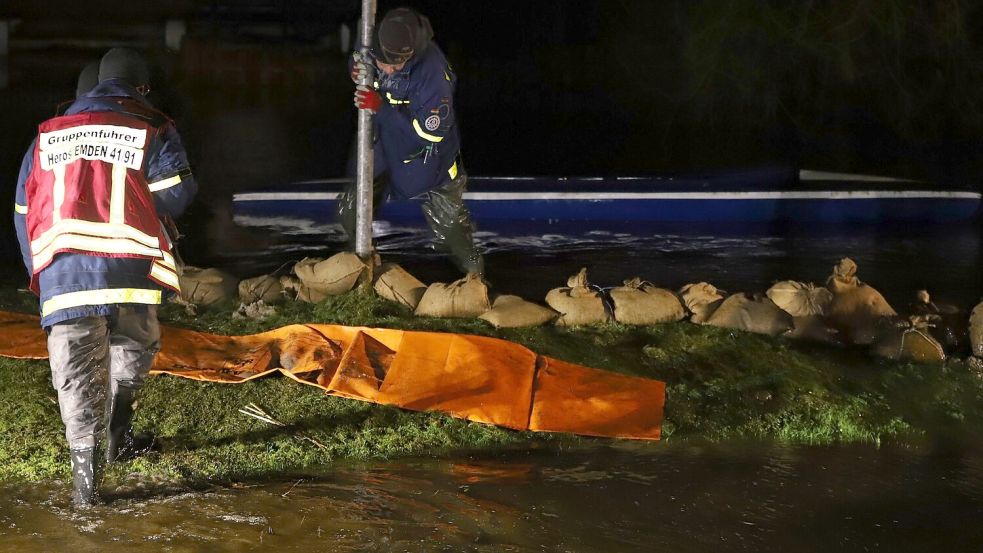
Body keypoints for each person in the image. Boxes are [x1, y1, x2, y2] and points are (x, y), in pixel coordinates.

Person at [13, 48, 197, 507]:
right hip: (129, 266)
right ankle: (120, 438)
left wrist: (42, 273)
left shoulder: (46, 136)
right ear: (142, 88)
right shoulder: (151, 126)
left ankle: (86, 489)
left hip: (63, 273)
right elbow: (177, 194)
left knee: (75, 372)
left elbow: (23, 212)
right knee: (133, 347)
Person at [340, 7, 484, 276]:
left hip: (431, 154)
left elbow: (429, 135)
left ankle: (475, 278)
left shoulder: (433, 75)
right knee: (351, 209)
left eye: (398, 65)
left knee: (451, 228)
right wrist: (355, 71)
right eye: (384, 64)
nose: (390, 70)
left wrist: (379, 107)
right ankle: (360, 270)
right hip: (384, 141)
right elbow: (358, 58)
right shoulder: (370, 35)